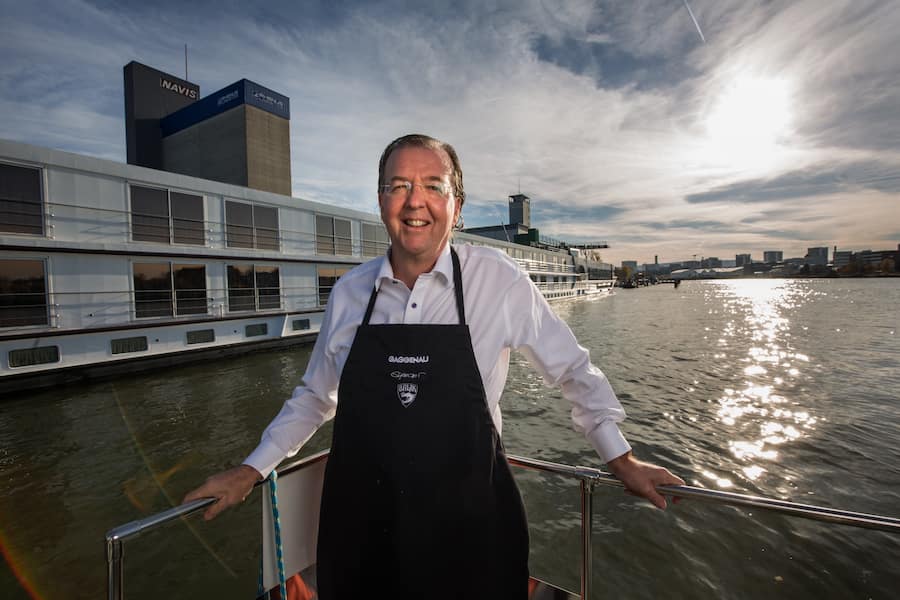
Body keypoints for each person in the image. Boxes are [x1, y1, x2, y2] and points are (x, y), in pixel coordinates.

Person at [184, 133, 684, 599]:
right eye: (399, 185)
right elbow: (315, 398)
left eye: (432, 186)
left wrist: (621, 459)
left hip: (470, 530)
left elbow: (573, 371)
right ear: (381, 201)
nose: (414, 201)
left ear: (456, 206)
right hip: (363, 532)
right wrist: (251, 470)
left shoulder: (498, 281)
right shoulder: (350, 292)